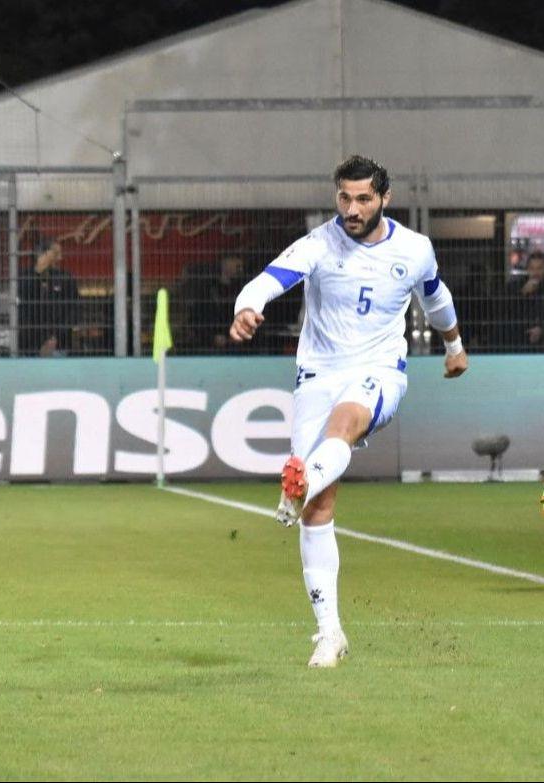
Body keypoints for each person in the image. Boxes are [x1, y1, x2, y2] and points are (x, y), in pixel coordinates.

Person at [229, 155, 468, 668]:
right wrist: (246, 308)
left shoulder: (413, 249)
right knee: (319, 509)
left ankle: (300, 479)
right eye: (344, 198)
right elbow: (269, 279)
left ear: (385, 198)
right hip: (318, 375)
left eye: (363, 199)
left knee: (345, 423)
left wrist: (454, 346)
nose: (352, 208)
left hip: (379, 370)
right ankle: (329, 633)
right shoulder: (320, 244)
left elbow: (435, 298)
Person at [17, 238, 81, 357]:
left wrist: (56, 336)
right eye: (56, 254)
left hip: (59, 344)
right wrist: (38, 272)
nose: (60, 258)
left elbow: (74, 308)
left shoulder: (65, 278)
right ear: (43, 254)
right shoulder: (24, 277)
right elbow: (22, 303)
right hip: (29, 344)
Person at [181, 255, 245, 352]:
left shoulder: (243, 289)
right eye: (235, 262)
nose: (240, 267)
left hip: (238, 345)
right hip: (210, 346)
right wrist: (212, 337)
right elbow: (196, 319)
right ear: (224, 263)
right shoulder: (207, 290)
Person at [501, 251, 544, 351]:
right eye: (532, 268)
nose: (535, 272)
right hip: (519, 338)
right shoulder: (515, 286)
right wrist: (522, 293)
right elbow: (506, 312)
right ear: (527, 269)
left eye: (540, 268)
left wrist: (541, 330)